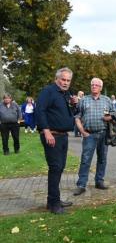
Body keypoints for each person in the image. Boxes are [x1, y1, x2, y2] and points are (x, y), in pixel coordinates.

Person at [35, 67, 77, 214]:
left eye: (68, 80)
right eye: (63, 79)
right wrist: (46, 131)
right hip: (52, 135)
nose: (65, 83)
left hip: (63, 135)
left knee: (60, 168)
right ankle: (54, 204)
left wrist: (74, 103)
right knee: (55, 168)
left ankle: (53, 200)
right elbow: (39, 111)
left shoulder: (66, 94)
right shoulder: (48, 91)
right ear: (57, 79)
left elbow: (71, 113)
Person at [74, 78, 116, 196]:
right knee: (85, 159)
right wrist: (82, 131)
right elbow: (77, 117)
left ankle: (99, 181)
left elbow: (114, 114)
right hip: (89, 134)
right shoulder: (84, 100)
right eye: (92, 84)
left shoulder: (107, 100)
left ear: (101, 88)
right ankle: (81, 185)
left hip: (103, 133)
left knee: (102, 159)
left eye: (97, 85)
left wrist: (110, 117)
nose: (94, 86)